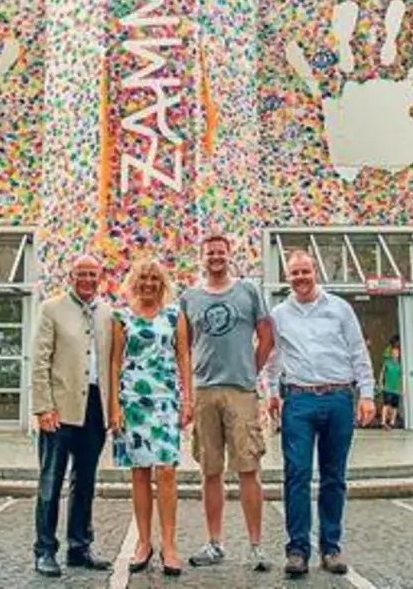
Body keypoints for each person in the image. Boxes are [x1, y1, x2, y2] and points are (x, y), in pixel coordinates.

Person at [264, 250, 377, 578]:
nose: (299, 278)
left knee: (334, 476)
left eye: (304, 271)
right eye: (294, 273)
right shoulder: (279, 314)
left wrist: (367, 395)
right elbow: (274, 356)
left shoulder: (340, 309)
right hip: (299, 400)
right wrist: (271, 392)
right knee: (296, 474)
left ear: (316, 272)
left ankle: (331, 547)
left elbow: (358, 352)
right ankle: (297, 549)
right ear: (288, 277)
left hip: (339, 398)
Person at [181, 233, 275, 572]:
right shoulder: (189, 297)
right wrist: (187, 394)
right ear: (202, 258)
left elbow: (267, 335)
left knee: (249, 468)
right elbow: (184, 347)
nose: (216, 257)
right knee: (210, 470)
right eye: (210, 253)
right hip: (205, 391)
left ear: (229, 254)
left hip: (240, 390)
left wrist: (251, 370)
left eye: (221, 252)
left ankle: (255, 546)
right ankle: (215, 542)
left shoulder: (248, 290)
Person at [108, 256, 193, 577]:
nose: (148, 284)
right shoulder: (122, 317)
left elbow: (183, 355)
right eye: (143, 279)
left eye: (154, 279)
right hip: (132, 403)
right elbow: (116, 362)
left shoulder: (174, 315)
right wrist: (114, 408)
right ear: (134, 282)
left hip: (165, 402)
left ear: (162, 284)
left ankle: (169, 545)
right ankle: (144, 543)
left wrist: (188, 399)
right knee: (140, 473)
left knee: (167, 472)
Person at [29, 254, 114, 578]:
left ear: (100, 277)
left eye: (93, 274)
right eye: (82, 274)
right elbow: (39, 361)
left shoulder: (107, 312)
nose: (88, 280)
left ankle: (79, 547)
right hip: (59, 408)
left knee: (85, 482)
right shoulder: (52, 309)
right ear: (71, 276)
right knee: (51, 482)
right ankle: (45, 550)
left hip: (94, 408)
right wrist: (43, 406)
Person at [380, 338, 403, 429]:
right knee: (386, 404)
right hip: (388, 387)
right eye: (393, 353)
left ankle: (392, 422)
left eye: (397, 353)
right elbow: (382, 374)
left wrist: (401, 388)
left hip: (396, 388)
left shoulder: (399, 365)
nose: (395, 355)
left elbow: (401, 377)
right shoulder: (387, 363)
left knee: (394, 406)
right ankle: (383, 421)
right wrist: (381, 383)